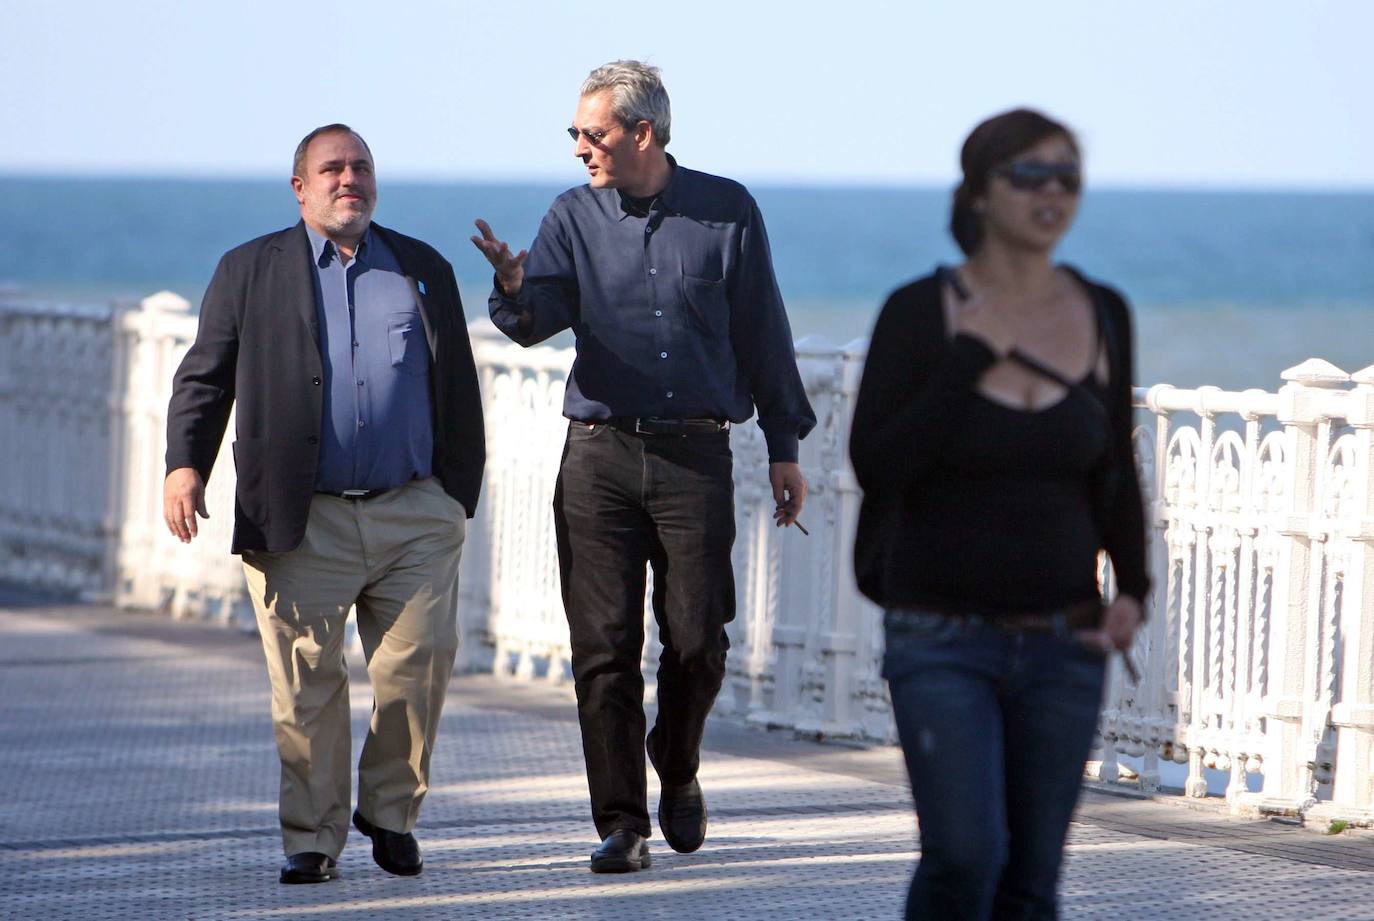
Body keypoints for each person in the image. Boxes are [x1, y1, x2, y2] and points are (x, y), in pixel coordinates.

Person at [471, 61, 816, 873]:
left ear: (642, 133)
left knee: (699, 639)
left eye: (592, 134)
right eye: (575, 135)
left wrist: (784, 446)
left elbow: (763, 330)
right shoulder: (572, 215)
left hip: (696, 454)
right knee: (603, 646)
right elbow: (535, 318)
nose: (580, 150)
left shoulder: (727, 210)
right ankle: (622, 822)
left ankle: (678, 755)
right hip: (597, 455)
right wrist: (516, 286)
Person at [163, 124, 485, 885]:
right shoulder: (249, 271)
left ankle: (391, 809)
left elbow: (456, 386)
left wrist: (453, 495)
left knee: (422, 662)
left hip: (414, 512)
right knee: (307, 685)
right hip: (303, 517)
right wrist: (186, 467)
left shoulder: (420, 267)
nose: (350, 179)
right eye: (332, 168)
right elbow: (204, 378)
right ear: (300, 188)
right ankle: (313, 836)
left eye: (362, 167)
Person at [849, 108, 1149, 920]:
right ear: (982, 190)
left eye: (1067, 176)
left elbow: (1114, 467)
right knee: (963, 854)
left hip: (1066, 641)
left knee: (1030, 880)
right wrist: (970, 358)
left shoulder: (1103, 311)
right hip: (940, 637)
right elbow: (877, 465)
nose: (1051, 191)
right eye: (1027, 174)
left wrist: (1133, 590)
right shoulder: (920, 312)